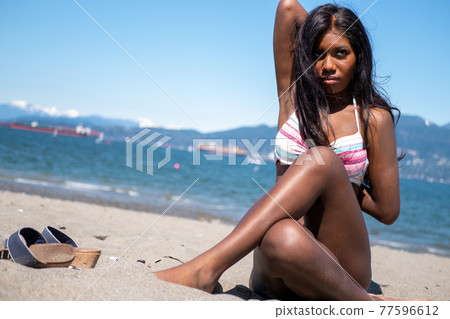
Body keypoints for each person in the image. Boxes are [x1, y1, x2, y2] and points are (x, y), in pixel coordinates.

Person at [156, 0, 404, 300]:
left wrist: (336, 182)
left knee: (322, 159)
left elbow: (388, 210)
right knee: (280, 236)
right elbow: (288, 9)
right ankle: (366, 304)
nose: (327, 66)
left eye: (341, 53)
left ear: (359, 56)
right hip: (280, 260)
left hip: (341, 266)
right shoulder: (295, 98)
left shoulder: (372, 118)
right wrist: (322, 23)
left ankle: (207, 268)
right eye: (318, 54)